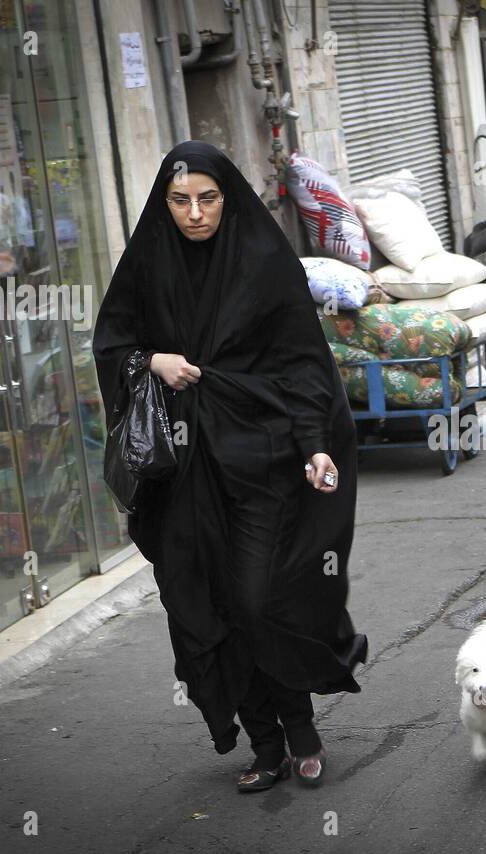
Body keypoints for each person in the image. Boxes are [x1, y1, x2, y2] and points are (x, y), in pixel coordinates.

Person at [93, 141, 367, 792]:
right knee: (207, 604)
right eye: (180, 200)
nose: (194, 213)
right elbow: (113, 342)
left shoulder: (264, 263)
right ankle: (265, 742)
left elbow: (302, 362)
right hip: (183, 470)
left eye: (208, 199)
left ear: (228, 198)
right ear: (163, 203)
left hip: (263, 459)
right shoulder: (147, 263)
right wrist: (151, 361)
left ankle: (300, 727)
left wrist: (314, 444)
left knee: (257, 596)